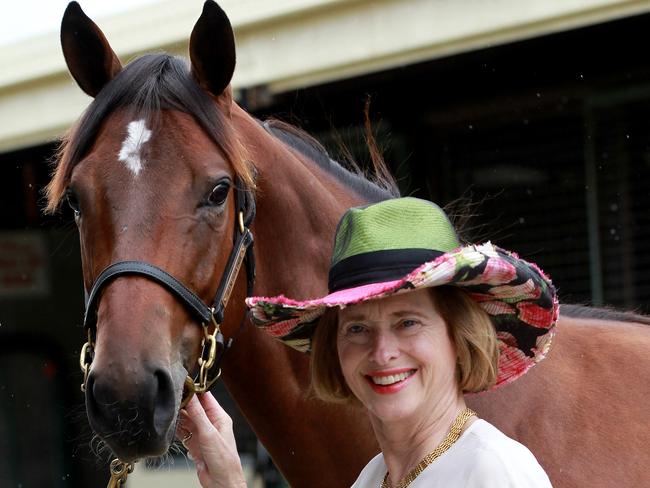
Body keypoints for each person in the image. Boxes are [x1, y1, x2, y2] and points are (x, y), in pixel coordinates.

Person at [177, 197, 558, 487]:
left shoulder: (495, 473)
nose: (382, 352)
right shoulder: (375, 478)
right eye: (357, 328)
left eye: (408, 322)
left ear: (458, 336)